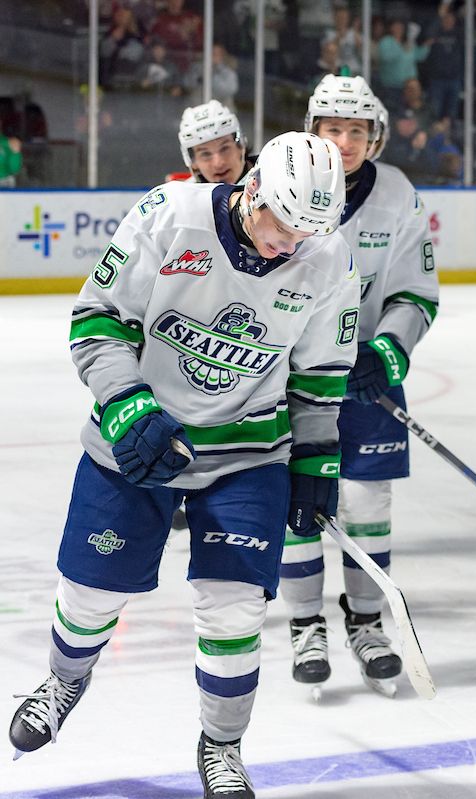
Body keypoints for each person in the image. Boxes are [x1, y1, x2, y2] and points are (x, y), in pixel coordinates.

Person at [7, 131, 356, 799]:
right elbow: (97, 318)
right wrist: (127, 406)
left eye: (305, 236)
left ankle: (222, 747)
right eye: (281, 228)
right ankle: (63, 679)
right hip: (141, 434)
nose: (289, 247)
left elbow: (320, 373)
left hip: (247, 450)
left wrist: (316, 455)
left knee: (233, 613)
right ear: (252, 190)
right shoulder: (170, 214)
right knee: (90, 596)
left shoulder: (327, 256)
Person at [280, 74, 439, 697]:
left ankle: (367, 622)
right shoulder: (284, 175)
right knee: (301, 504)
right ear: (310, 131)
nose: (342, 142)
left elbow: (416, 291)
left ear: (373, 137)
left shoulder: (397, 193)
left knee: (369, 507)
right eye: (331, 129)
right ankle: (303, 624)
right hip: (290, 382)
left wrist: (389, 349)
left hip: (364, 382)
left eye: (354, 131)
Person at [178, 100, 254, 185]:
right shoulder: (185, 196)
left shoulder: (268, 176)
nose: (218, 163)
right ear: (193, 163)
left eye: (225, 148)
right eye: (205, 154)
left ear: (241, 146)